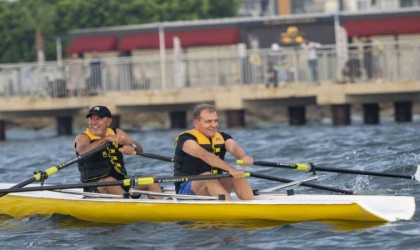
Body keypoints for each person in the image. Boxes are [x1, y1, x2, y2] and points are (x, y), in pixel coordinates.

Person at [74, 105, 162, 198]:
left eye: (98, 119)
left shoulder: (117, 133)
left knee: (152, 180)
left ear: (108, 122)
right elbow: (82, 152)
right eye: (91, 119)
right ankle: (130, 207)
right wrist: (106, 139)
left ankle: (162, 207)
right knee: (110, 181)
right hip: (94, 187)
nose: (93, 123)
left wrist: (131, 147)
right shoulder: (83, 137)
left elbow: (139, 148)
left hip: (121, 181)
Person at [173, 103, 254, 200]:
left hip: (215, 185)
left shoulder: (222, 137)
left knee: (238, 176)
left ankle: (253, 205)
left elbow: (234, 147)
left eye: (216, 121)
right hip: (187, 190)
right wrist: (230, 169)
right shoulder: (186, 139)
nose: (214, 125)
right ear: (196, 122)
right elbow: (204, 155)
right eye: (208, 121)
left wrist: (243, 157)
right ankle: (231, 209)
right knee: (208, 176)